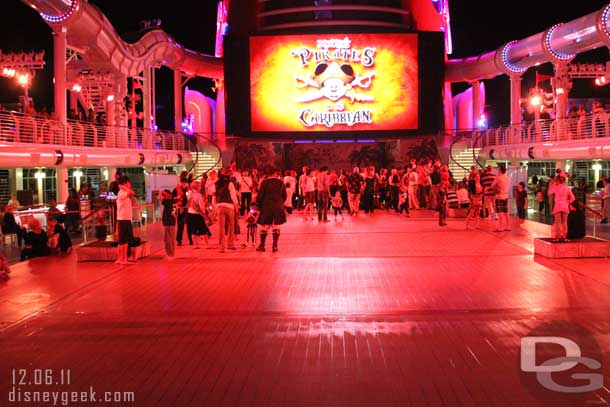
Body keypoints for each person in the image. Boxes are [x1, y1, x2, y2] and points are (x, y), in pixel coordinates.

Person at [256, 168, 287, 252]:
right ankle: (275, 246)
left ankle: (262, 245)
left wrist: (258, 205)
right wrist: (280, 203)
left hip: (266, 206)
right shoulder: (281, 182)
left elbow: (260, 196)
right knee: (276, 226)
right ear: (275, 173)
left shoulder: (264, 183)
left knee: (264, 226)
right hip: (278, 206)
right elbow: (284, 195)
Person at [214, 169, 239, 252]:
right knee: (231, 226)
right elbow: (233, 196)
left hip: (220, 206)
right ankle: (230, 244)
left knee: (221, 228)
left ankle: (222, 247)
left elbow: (214, 195)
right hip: (229, 207)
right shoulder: (230, 183)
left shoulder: (217, 183)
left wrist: (215, 207)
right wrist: (236, 206)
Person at [115, 176, 136, 265]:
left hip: (125, 218)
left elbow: (132, 198)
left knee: (122, 240)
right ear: (125, 183)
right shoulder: (122, 192)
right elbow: (132, 192)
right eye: (129, 182)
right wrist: (123, 187)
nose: (130, 184)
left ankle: (121, 258)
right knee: (124, 240)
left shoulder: (124, 193)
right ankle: (123, 259)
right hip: (124, 219)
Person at [549, 174, 575, 242]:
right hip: (565, 206)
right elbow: (573, 198)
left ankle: (558, 237)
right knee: (564, 222)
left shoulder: (556, 187)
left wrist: (552, 184)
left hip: (558, 205)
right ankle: (564, 236)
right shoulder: (567, 187)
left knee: (558, 222)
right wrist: (567, 202)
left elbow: (549, 192)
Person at [186, 181, 211, 249]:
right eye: (199, 186)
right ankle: (206, 245)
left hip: (190, 213)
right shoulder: (198, 195)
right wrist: (204, 212)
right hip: (197, 214)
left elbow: (188, 204)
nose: (200, 187)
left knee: (193, 230)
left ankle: (195, 245)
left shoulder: (189, 194)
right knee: (203, 230)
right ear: (197, 187)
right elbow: (201, 206)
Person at [172, 171, 192, 246]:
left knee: (189, 225)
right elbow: (172, 198)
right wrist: (177, 198)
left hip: (188, 208)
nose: (184, 185)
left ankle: (191, 240)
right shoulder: (176, 189)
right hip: (180, 209)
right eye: (183, 183)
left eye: (185, 183)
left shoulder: (189, 189)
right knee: (180, 225)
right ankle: (179, 240)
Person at [491, 166, 510, 232]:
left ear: (500, 170)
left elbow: (492, 185)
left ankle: (500, 227)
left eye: (498, 170)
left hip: (499, 196)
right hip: (506, 196)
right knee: (506, 212)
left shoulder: (498, 178)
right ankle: (508, 226)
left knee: (500, 212)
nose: (498, 171)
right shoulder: (507, 178)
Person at [160, 189, 177, 258]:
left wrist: (161, 193)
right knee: (171, 239)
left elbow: (159, 198)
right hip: (172, 222)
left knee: (168, 239)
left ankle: (170, 254)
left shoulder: (167, 202)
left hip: (168, 222)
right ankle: (171, 253)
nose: (163, 196)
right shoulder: (172, 202)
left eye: (164, 194)